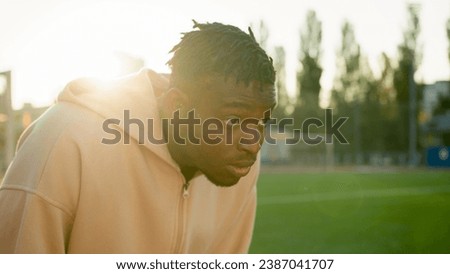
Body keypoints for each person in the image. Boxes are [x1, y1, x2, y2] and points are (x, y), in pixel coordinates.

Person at [0, 21, 276, 253]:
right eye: (233, 120)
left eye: (263, 120)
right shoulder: (63, 141)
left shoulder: (238, 165)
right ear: (176, 107)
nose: (253, 143)